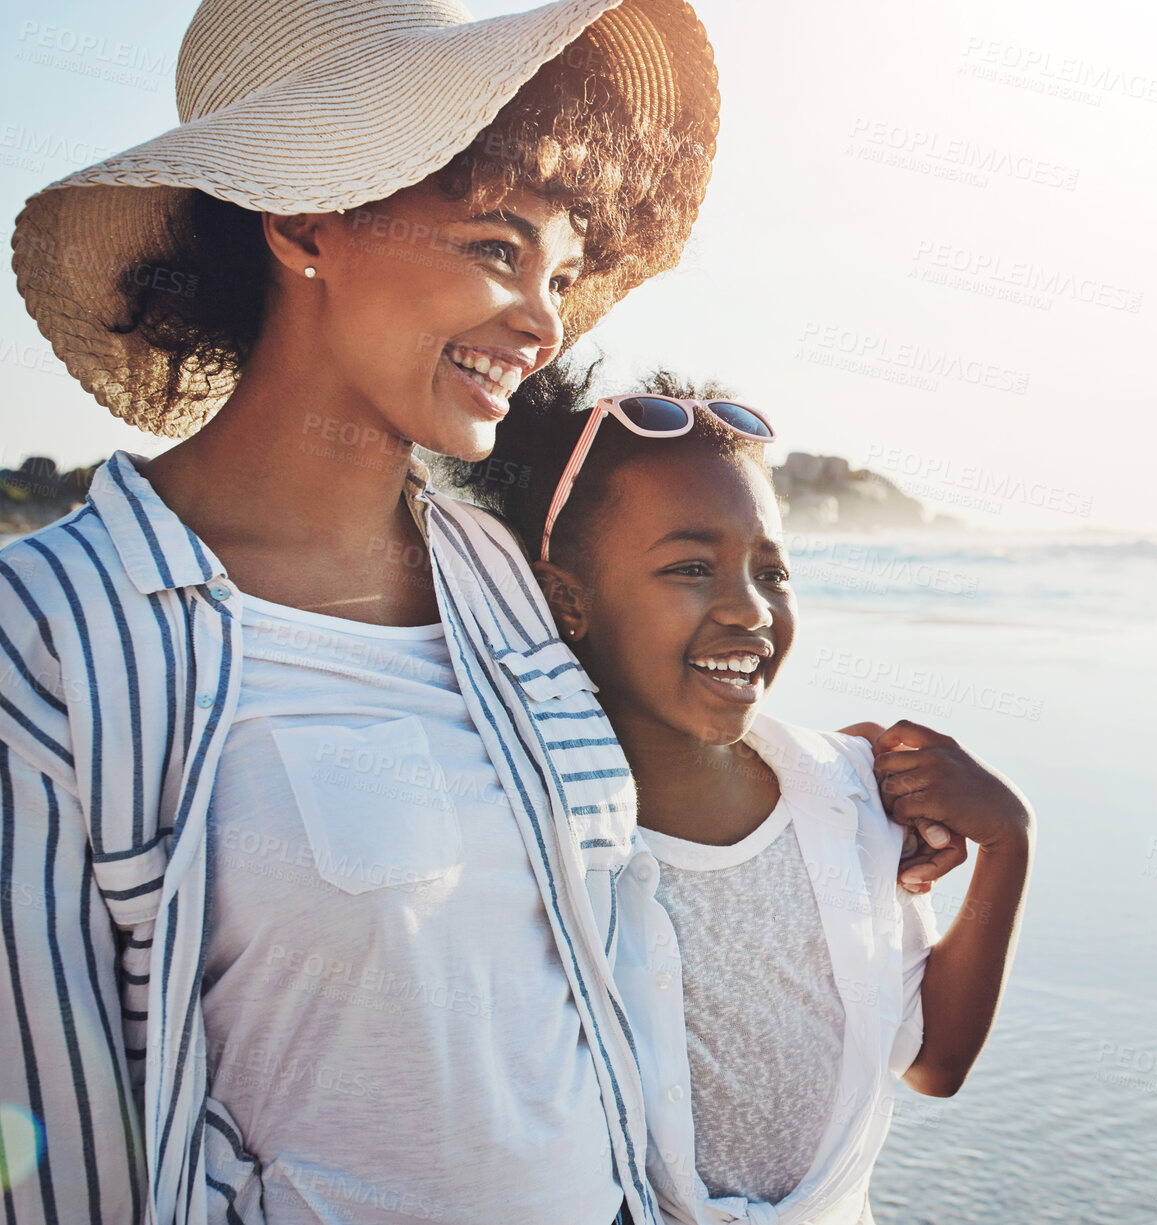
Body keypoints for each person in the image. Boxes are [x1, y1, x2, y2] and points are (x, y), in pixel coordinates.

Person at [1, 1, 732, 1220]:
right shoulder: (57, 635)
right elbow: (53, 1146)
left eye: (557, 272)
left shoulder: (500, 579)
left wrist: (850, 804)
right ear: (302, 220)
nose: (546, 321)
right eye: (497, 249)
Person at [464, 375, 1034, 1223]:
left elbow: (934, 1061)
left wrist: (1009, 841)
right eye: (692, 567)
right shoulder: (531, 833)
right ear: (567, 600)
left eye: (772, 569)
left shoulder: (846, 798)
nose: (749, 608)